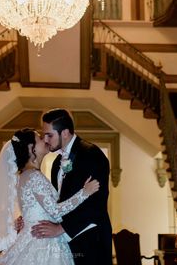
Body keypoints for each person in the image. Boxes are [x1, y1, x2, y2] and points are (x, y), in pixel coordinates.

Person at [0, 128, 100, 265]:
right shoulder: (33, 176)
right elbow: (55, 211)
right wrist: (84, 192)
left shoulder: (23, 176)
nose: (46, 140)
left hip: (32, 238)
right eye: (40, 139)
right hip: (43, 242)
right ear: (32, 148)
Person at [32, 109, 112, 265]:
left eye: (50, 135)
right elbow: (57, 203)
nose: (46, 140)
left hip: (91, 241)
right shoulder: (56, 164)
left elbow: (96, 205)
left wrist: (60, 228)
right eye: (44, 135)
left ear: (65, 133)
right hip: (66, 243)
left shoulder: (91, 154)